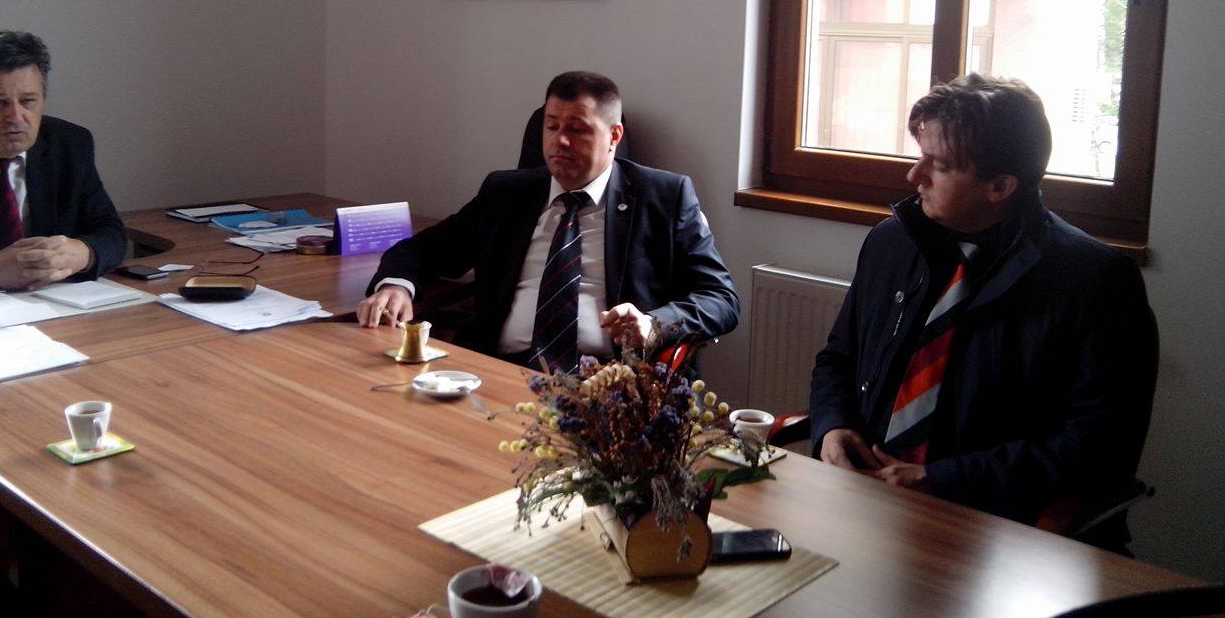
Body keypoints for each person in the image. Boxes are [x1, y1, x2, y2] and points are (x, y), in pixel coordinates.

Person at [809, 74, 1156, 546]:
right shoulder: (892, 243)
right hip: (865, 506)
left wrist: (941, 479)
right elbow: (838, 358)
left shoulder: (1095, 281)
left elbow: (1098, 444)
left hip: (997, 530)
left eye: (939, 165)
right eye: (919, 155)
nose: (913, 176)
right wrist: (833, 427)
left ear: (1000, 186)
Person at [359, 71, 738, 367]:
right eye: (552, 126)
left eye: (577, 129)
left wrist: (654, 324)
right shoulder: (506, 194)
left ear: (614, 136)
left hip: (610, 383)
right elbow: (422, 250)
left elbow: (720, 299)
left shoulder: (664, 197)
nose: (561, 141)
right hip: (501, 371)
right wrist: (397, 286)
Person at [0, 30, 126, 295]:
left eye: (28, 101)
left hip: (52, 306)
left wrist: (82, 253)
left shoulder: (69, 144)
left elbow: (111, 232)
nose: (15, 116)